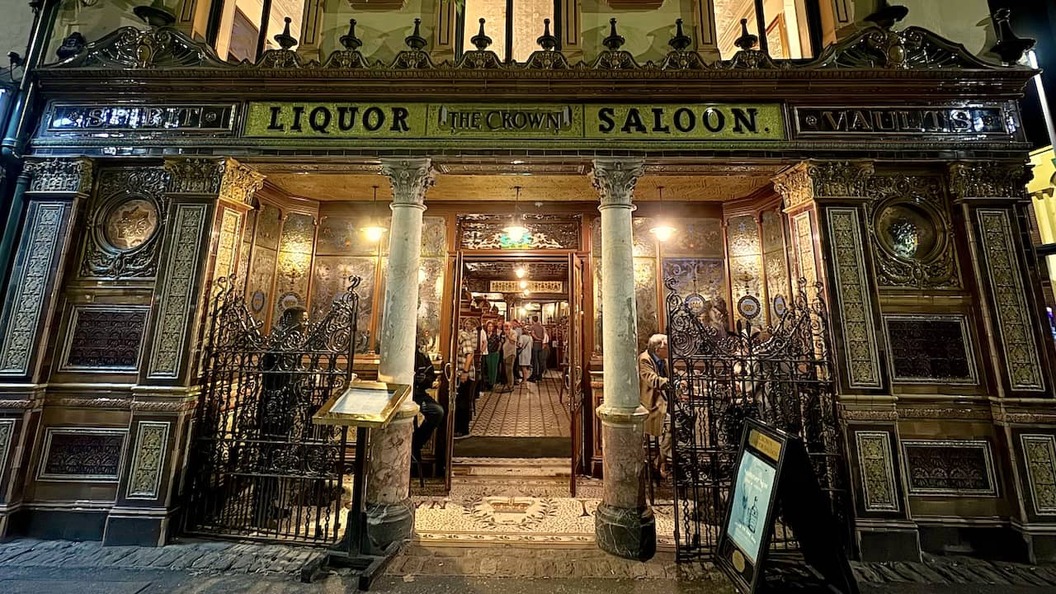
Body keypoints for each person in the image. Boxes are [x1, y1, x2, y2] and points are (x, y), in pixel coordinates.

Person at [253, 306, 307, 526]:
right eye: (302, 320)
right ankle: (260, 513)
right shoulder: (278, 347)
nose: (306, 325)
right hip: (273, 412)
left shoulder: (288, 345)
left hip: (283, 410)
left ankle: (270, 505)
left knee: (274, 462)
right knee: (267, 461)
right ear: (290, 321)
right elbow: (276, 379)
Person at [639, 333, 671, 479]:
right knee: (673, 426)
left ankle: (661, 459)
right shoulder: (644, 359)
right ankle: (662, 462)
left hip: (666, 402)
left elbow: (671, 374)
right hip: (652, 406)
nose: (669, 348)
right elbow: (652, 379)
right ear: (658, 349)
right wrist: (672, 383)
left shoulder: (664, 360)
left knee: (687, 417)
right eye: (666, 345)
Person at [412, 341, 444, 458]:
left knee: (437, 411)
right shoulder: (397, 356)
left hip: (418, 394)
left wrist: (425, 380)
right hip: (400, 395)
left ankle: (415, 443)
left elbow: (430, 375)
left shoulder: (421, 357)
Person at [454, 320, 477, 439]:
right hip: (457, 373)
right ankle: (456, 427)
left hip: (464, 374)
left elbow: (470, 354)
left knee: (462, 402)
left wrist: (465, 372)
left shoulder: (463, 336)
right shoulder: (454, 335)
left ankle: (463, 430)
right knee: (458, 401)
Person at [484, 321, 502, 391]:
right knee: (488, 367)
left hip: (494, 353)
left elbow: (500, 343)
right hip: (487, 353)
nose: (490, 328)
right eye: (489, 326)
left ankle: (492, 383)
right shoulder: (485, 334)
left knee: (493, 368)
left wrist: (498, 351)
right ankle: (488, 382)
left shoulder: (495, 335)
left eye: (491, 326)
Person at [500, 322, 517, 392]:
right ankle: (509, 384)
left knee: (509, 370)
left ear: (510, 326)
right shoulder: (503, 333)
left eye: (507, 326)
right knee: (507, 371)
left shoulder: (513, 333)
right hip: (505, 354)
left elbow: (513, 341)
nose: (506, 328)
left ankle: (510, 386)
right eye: (504, 326)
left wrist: (507, 335)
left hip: (510, 353)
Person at [529, 315, 546, 381]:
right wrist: (541, 339)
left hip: (536, 343)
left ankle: (534, 375)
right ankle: (540, 376)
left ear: (532, 320)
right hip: (540, 344)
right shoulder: (542, 327)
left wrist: (537, 338)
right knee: (540, 360)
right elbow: (544, 335)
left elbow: (533, 334)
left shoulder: (532, 327)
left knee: (535, 360)